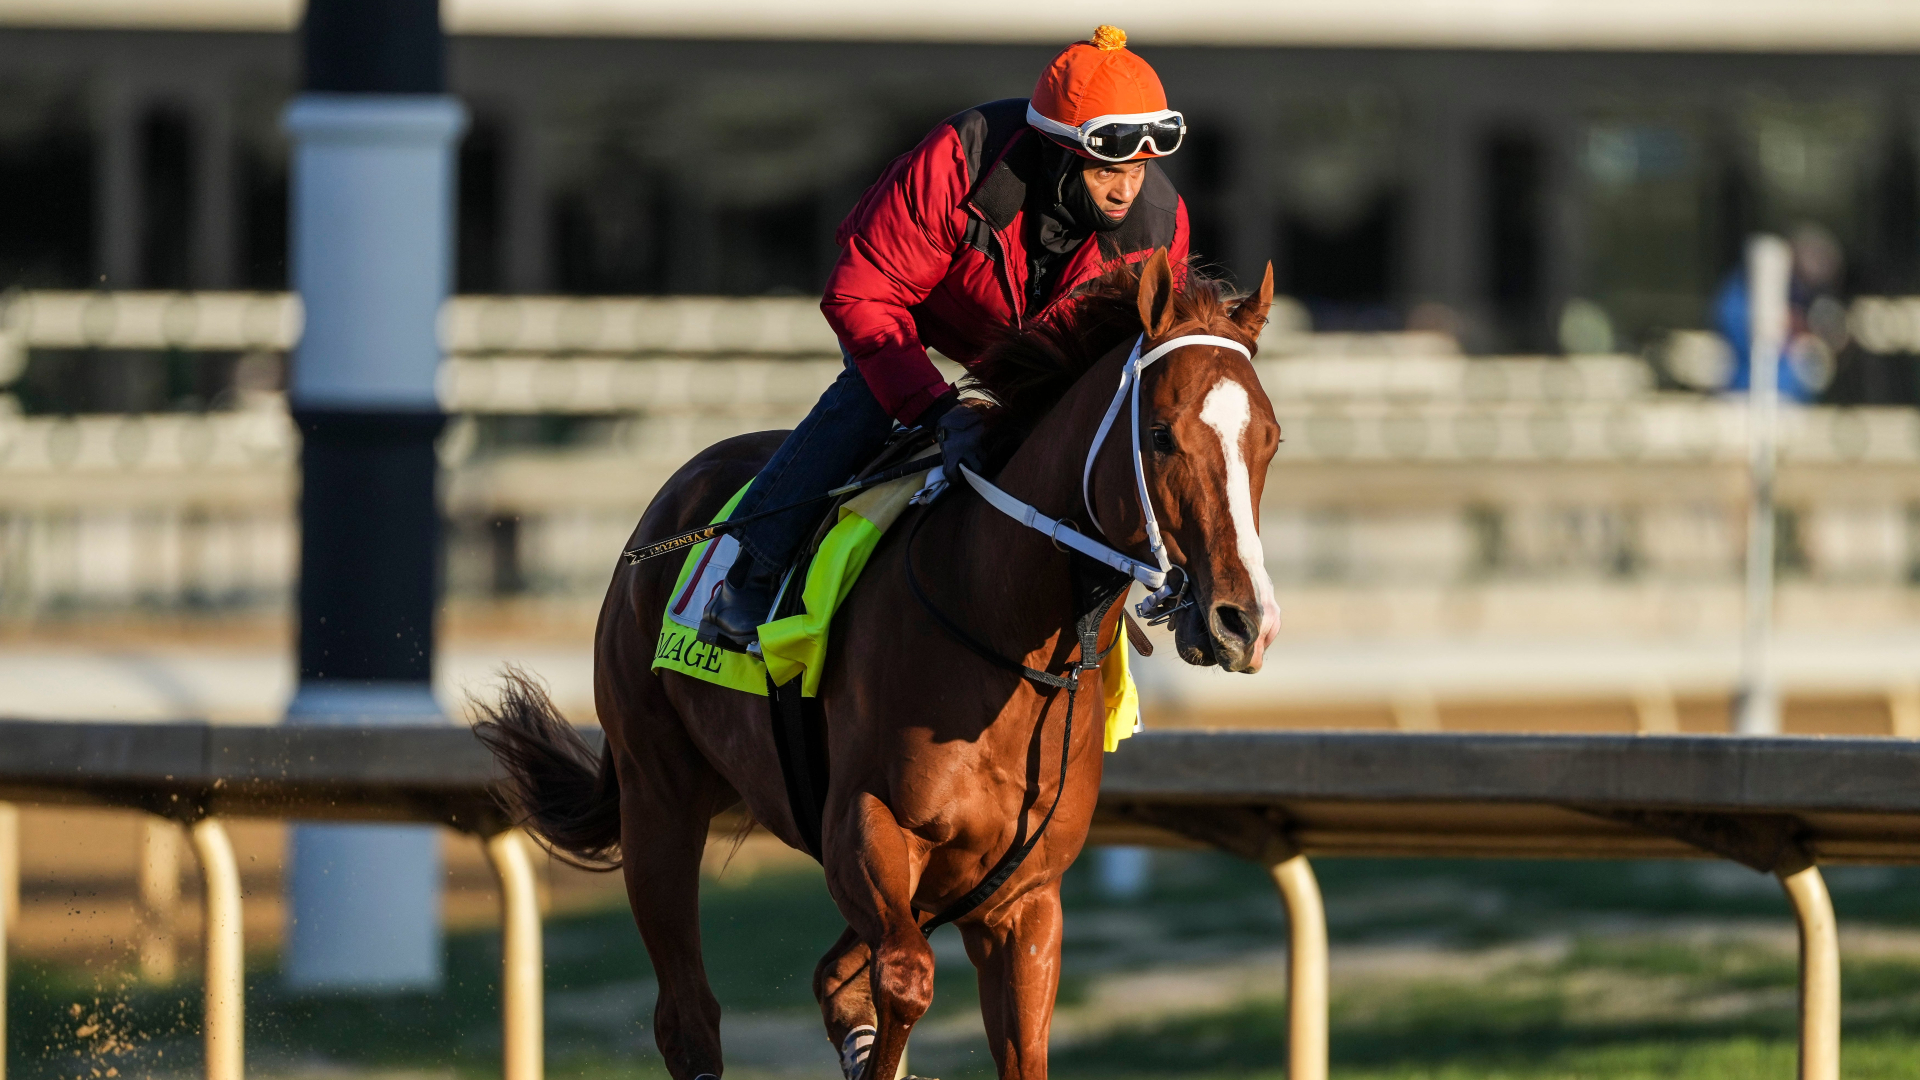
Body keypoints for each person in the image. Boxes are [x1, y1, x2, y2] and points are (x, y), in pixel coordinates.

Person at [699, 24, 1193, 651]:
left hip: (1049, 354)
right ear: (1058, 152)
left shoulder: (1159, 222)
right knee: (873, 394)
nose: (1128, 189)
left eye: (1141, 167)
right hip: (920, 316)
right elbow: (861, 295)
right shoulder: (960, 159)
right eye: (1107, 170)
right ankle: (754, 570)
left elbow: (1143, 362)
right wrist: (939, 412)